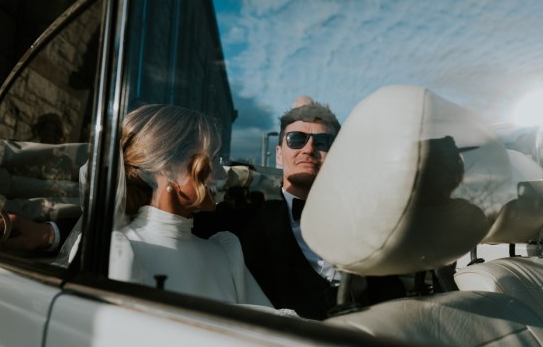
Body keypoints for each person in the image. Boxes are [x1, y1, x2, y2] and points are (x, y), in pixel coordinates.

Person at [239, 100, 405, 320]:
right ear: (279, 154)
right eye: (296, 139)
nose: (308, 149)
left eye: (322, 142)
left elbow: (392, 296)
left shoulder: (365, 222)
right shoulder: (244, 220)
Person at [109, 104, 273, 306]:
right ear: (168, 167)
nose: (222, 173)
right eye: (212, 159)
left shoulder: (225, 255)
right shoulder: (120, 251)